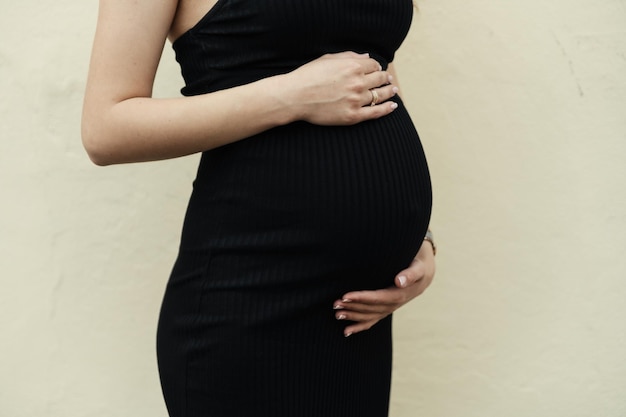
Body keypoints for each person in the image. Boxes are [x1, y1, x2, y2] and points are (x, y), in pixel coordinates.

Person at [82, 0, 436, 416]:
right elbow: (105, 128)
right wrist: (290, 96)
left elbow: (370, 68)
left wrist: (418, 237)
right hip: (252, 302)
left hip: (355, 318)